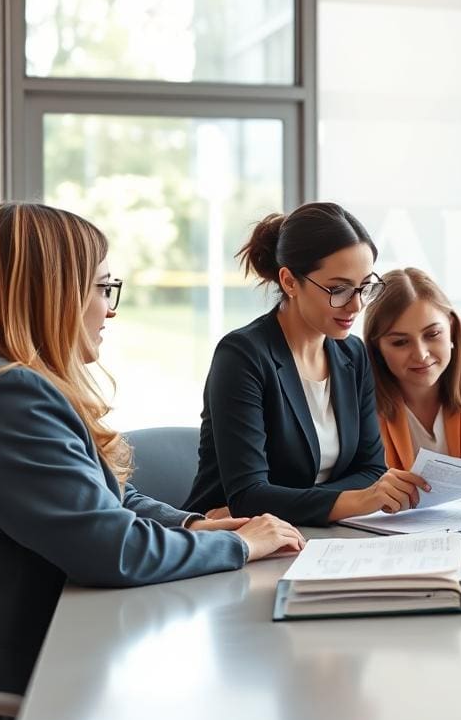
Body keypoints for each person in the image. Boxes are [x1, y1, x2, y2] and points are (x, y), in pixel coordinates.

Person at [0, 202, 303, 699]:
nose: (110, 309)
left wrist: (193, 525)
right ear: (50, 292)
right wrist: (242, 545)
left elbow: (106, 499)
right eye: (102, 288)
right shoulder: (8, 394)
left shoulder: (15, 384)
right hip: (28, 676)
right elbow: (111, 547)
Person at [183, 202, 428, 525]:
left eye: (364, 286)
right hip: (233, 540)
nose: (355, 305)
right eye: (338, 289)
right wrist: (358, 498)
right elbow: (248, 496)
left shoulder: (353, 355)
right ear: (289, 282)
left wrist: (286, 501)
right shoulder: (242, 355)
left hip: (317, 534)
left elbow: (370, 470)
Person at [363, 267, 461, 472]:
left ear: (451, 328)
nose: (421, 354)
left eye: (432, 334)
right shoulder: (360, 395)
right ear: (377, 348)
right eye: (400, 342)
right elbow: (371, 487)